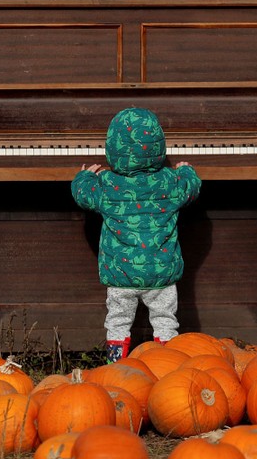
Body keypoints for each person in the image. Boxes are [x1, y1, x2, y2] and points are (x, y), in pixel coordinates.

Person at [71, 107, 202, 363]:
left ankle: (116, 365)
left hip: (121, 275)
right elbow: (191, 187)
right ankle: (169, 366)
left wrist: (84, 177)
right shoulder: (170, 182)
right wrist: (186, 170)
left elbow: (83, 195)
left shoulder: (108, 185)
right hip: (161, 275)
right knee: (166, 322)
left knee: (117, 323)